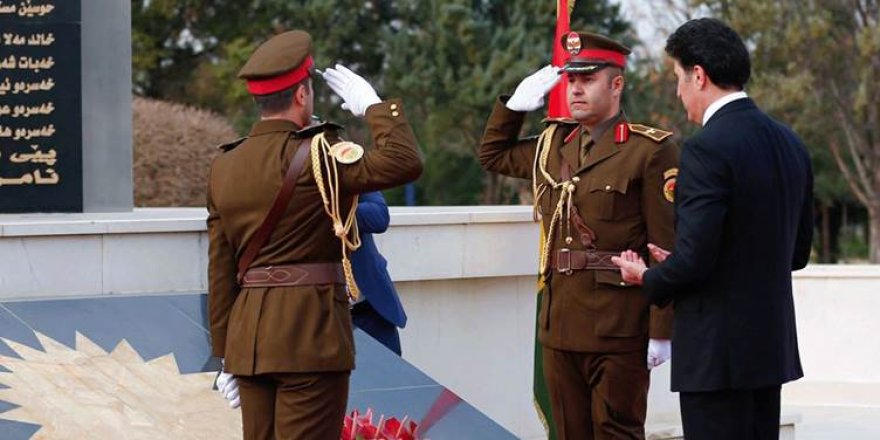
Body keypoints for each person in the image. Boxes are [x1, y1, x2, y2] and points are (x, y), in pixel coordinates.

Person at [207, 29, 422, 439]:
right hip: (311, 337)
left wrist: (224, 355)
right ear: (302, 95)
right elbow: (405, 162)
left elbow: (220, 270)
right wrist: (374, 107)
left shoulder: (224, 165)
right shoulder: (321, 154)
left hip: (248, 342)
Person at [612, 18, 813, 440]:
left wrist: (648, 276)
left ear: (699, 75)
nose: (678, 91)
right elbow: (796, 253)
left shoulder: (706, 148)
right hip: (766, 351)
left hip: (717, 357)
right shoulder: (790, 142)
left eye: (678, 78)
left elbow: (697, 261)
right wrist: (687, 258)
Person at [479, 31, 679, 440]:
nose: (575, 89)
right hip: (560, 323)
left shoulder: (649, 151)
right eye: (571, 80)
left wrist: (661, 329)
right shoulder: (555, 145)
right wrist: (513, 108)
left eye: (587, 79)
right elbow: (493, 155)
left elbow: (666, 245)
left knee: (616, 432)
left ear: (617, 84)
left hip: (619, 325)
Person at [350, 191, 408, 355]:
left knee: (393, 377)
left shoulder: (345, 169)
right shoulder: (281, 176)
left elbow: (379, 217)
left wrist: (332, 210)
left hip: (371, 312)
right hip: (319, 317)